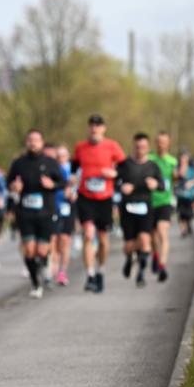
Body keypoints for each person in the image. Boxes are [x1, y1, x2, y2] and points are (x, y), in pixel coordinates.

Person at [7, 130, 66, 298]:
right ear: (27, 142)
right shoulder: (19, 163)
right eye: (30, 140)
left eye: (36, 140)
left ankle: (44, 263)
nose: (33, 143)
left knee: (41, 251)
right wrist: (14, 187)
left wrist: (52, 185)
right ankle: (35, 283)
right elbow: (9, 182)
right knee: (29, 250)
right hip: (25, 212)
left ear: (42, 142)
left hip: (46, 212)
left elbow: (63, 182)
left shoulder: (50, 162)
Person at [72, 115, 125, 293]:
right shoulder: (80, 147)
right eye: (92, 126)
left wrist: (114, 174)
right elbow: (74, 168)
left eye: (98, 126)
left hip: (104, 198)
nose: (94, 129)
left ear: (104, 128)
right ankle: (90, 274)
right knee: (88, 235)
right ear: (89, 128)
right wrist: (71, 179)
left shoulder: (112, 146)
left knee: (103, 239)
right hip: (85, 196)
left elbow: (124, 168)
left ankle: (101, 270)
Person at [117, 133, 164, 288]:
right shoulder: (125, 164)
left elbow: (163, 186)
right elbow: (115, 182)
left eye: (143, 147)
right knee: (129, 245)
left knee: (145, 240)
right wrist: (122, 187)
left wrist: (155, 184)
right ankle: (129, 259)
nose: (140, 150)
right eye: (137, 147)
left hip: (145, 208)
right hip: (128, 209)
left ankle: (141, 274)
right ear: (133, 147)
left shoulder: (152, 166)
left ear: (148, 148)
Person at [149, 132, 178, 282]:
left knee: (162, 232)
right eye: (159, 142)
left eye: (164, 142)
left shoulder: (172, 161)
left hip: (165, 201)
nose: (161, 144)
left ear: (168, 143)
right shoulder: (150, 159)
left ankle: (162, 266)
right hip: (150, 201)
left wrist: (178, 173)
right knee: (153, 238)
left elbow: (177, 178)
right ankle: (155, 255)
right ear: (156, 143)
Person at [49, 145, 76, 286]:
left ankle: (62, 272)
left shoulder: (73, 170)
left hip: (68, 208)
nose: (60, 158)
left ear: (68, 156)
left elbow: (80, 186)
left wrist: (73, 192)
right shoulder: (51, 169)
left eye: (63, 155)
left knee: (65, 240)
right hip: (53, 207)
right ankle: (52, 268)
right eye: (58, 156)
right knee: (53, 240)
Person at [175, 152, 194, 237]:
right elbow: (175, 177)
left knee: (188, 213)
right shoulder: (177, 168)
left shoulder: (192, 169)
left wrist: (190, 183)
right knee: (181, 213)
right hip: (180, 194)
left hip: (189, 194)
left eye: (184, 158)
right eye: (181, 158)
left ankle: (188, 225)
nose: (183, 160)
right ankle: (183, 230)